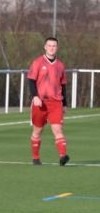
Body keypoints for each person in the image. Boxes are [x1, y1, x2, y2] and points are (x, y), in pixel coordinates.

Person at [27, 37, 69, 166]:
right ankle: (35, 157)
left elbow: (63, 85)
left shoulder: (60, 65)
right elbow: (31, 80)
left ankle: (63, 156)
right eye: (49, 45)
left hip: (55, 103)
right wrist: (35, 96)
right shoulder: (38, 62)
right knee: (37, 131)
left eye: (54, 46)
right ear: (45, 47)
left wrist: (65, 103)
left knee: (57, 129)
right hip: (40, 103)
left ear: (57, 48)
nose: (52, 48)